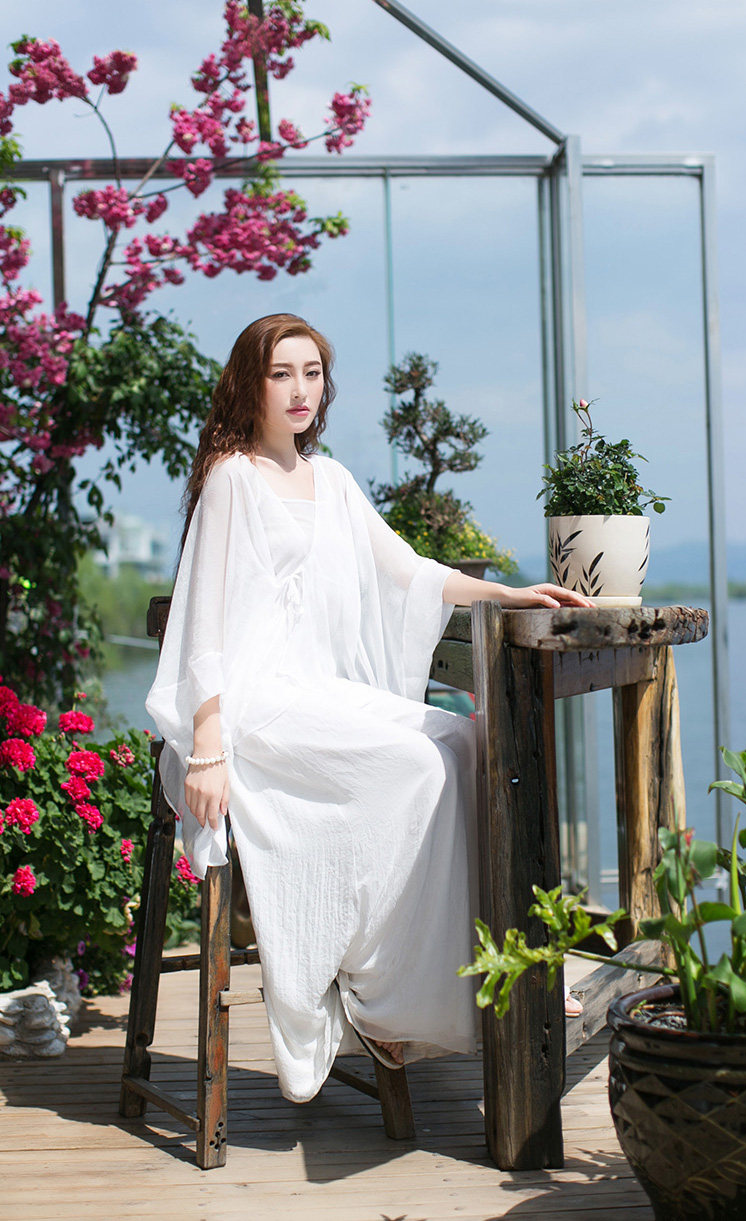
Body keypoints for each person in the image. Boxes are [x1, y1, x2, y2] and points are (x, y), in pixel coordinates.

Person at [145, 313, 592, 1100]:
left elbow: (411, 571)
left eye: (312, 372)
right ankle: (387, 996)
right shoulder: (231, 478)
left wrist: (509, 592)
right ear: (250, 383)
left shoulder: (334, 480)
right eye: (282, 373)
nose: (300, 390)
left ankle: (497, 965)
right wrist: (207, 743)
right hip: (255, 705)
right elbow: (203, 622)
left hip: (317, 692)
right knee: (418, 762)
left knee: (468, 742)